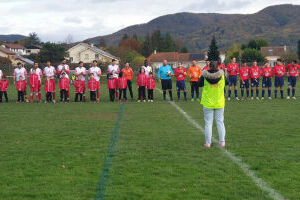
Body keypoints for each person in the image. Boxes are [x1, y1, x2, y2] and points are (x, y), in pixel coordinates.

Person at [199, 61, 226, 148]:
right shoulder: (222, 75)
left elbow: (199, 84)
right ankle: (222, 141)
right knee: (220, 122)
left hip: (208, 103)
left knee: (208, 123)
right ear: (218, 66)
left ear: (209, 67)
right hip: (219, 102)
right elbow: (228, 82)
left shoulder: (204, 75)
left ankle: (208, 143)